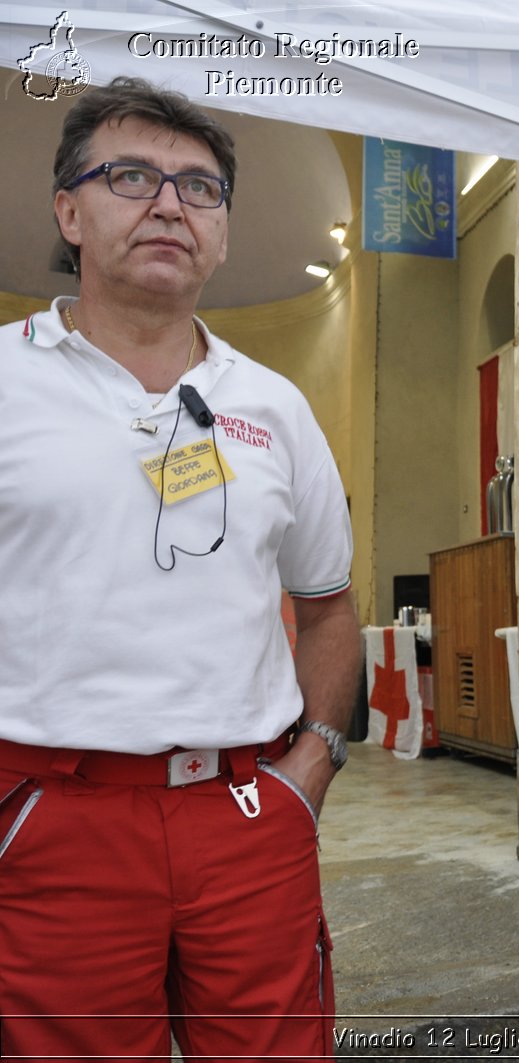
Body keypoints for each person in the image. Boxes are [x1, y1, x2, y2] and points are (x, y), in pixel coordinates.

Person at [0, 77, 360, 1058]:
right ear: (69, 211)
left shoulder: (275, 407)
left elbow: (327, 606)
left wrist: (310, 767)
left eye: (200, 189)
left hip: (247, 817)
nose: (169, 204)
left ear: (225, 232)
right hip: (50, 821)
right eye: (132, 177)